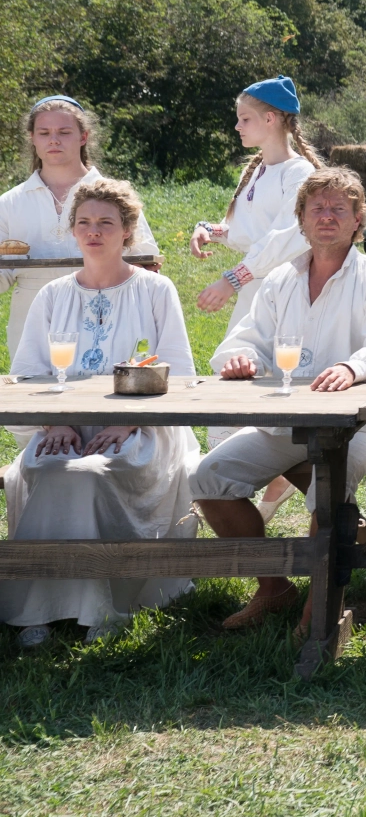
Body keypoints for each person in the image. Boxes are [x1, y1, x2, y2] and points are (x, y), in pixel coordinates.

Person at [193, 168, 366, 632]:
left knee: (326, 493)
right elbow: (244, 340)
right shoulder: (280, 281)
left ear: (359, 221)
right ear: (301, 219)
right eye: (317, 208)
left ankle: (320, 610)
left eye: (340, 209)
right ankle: (274, 588)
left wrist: (353, 367)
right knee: (208, 478)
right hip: (284, 423)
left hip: (358, 428)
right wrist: (240, 360)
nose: (327, 217)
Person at [1, 178, 197, 647]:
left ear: (127, 232)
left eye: (106, 223)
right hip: (63, 425)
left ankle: (100, 611)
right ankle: (35, 609)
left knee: (92, 471)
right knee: (50, 466)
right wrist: (58, 423)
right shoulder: (52, 296)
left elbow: (182, 373)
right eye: (84, 222)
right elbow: (27, 373)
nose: (94, 231)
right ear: (73, 231)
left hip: (143, 428)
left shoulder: (155, 289)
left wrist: (129, 420)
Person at [188, 76, 322, 482]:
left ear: (271, 118)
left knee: (274, 381)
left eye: (244, 119)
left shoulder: (298, 173)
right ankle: (250, 476)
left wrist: (233, 277)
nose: (237, 126)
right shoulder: (259, 172)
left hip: (286, 292)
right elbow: (252, 235)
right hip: (257, 292)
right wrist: (211, 229)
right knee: (238, 375)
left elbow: (289, 237)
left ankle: (288, 476)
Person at [0, 96, 159, 359]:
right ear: (32, 138)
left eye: (64, 132)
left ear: (83, 137)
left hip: (105, 315)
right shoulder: (10, 203)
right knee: (34, 395)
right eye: (44, 133)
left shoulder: (113, 197)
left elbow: (145, 262)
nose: (54, 140)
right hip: (33, 321)